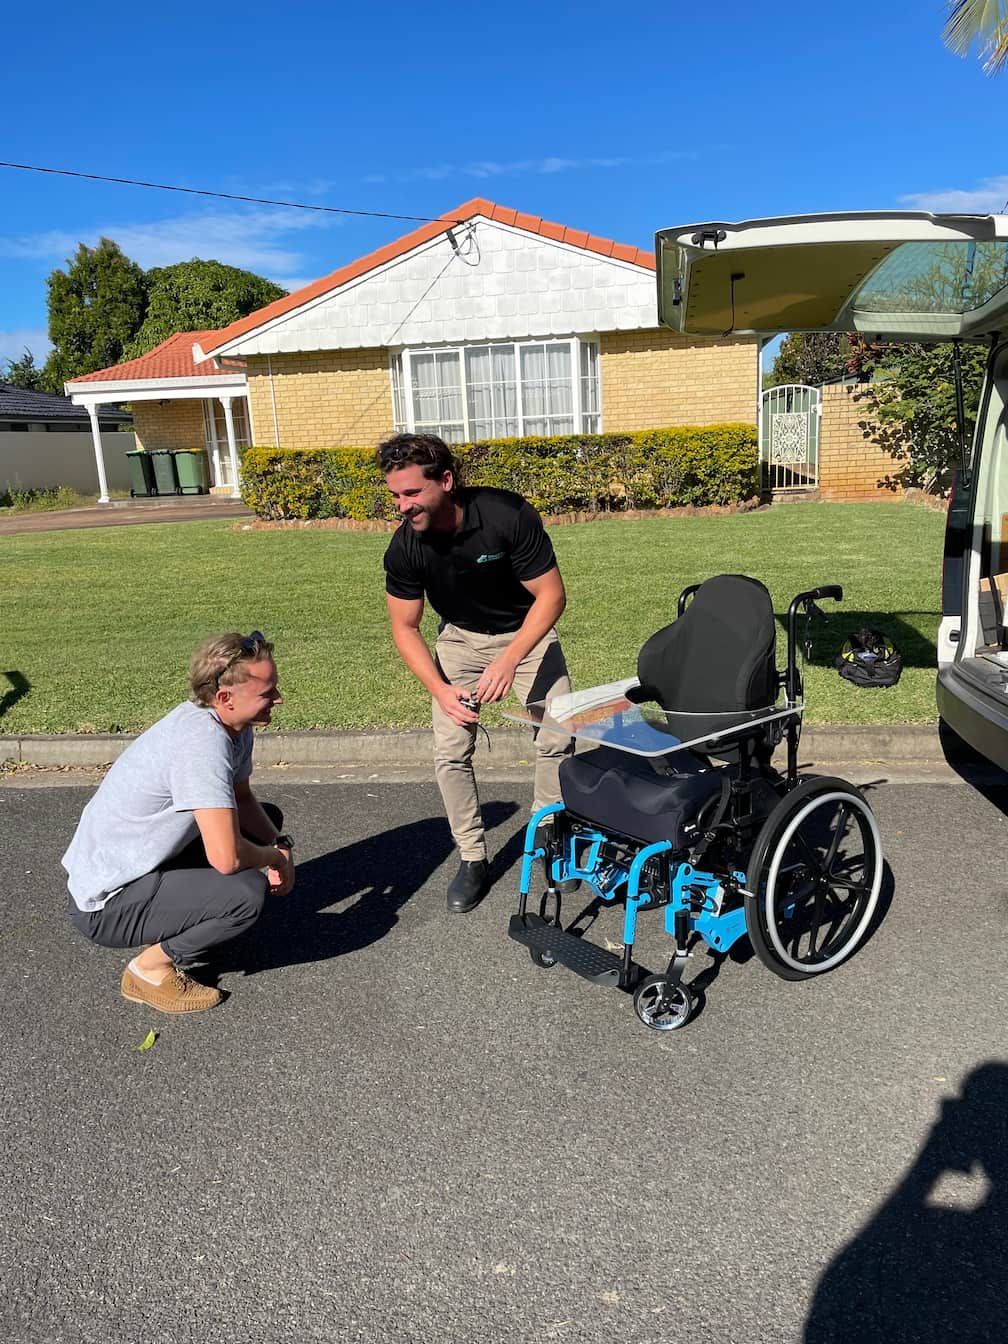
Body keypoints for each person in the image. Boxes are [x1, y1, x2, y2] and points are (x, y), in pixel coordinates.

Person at [378, 432, 574, 913]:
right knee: (450, 750)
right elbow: (405, 627)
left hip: (526, 633)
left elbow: (552, 597)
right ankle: (472, 857)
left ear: (445, 481)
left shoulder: (505, 516)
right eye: (395, 495)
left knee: (557, 734)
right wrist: (440, 689)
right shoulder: (405, 548)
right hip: (461, 637)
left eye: (412, 493)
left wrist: (509, 660)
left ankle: (549, 838)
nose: (402, 506)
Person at [63, 631, 295, 1014]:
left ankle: (172, 914)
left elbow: (241, 798)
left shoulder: (233, 726)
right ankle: (148, 969)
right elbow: (225, 859)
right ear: (225, 698)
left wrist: (281, 844)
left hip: (137, 868)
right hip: (104, 905)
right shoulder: (201, 745)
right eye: (267, 693)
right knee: (244, 895)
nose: (278, 699)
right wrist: (272, 859)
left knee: (264, 820)